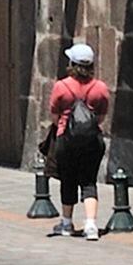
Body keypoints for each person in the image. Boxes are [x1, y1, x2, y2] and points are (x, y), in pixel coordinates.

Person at [39, 43, 113, 239]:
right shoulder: (100, 88)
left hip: (66, 140)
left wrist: (65, 125)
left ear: (72, 63)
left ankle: (66, 223)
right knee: (89, 181)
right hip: (92, 140)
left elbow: (54, 115)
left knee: (68, 179)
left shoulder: (61, 87)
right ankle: (91, 225)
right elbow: (101, 115)